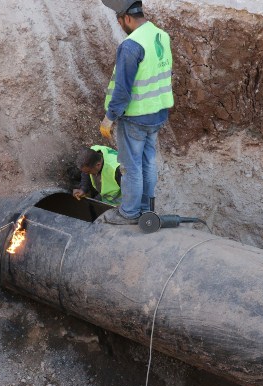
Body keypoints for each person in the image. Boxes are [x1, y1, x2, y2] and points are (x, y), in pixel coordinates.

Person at [99, 0, 174, 225]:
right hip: (158, 113)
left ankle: (129, 213)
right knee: (148, 162)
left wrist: (109, 118)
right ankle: (145, 209)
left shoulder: (131, 46)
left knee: (131, 166)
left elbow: (122, 90)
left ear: (127, 18)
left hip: (136, 117)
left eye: (119, 20)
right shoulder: (161, 35)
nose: (120, 25)